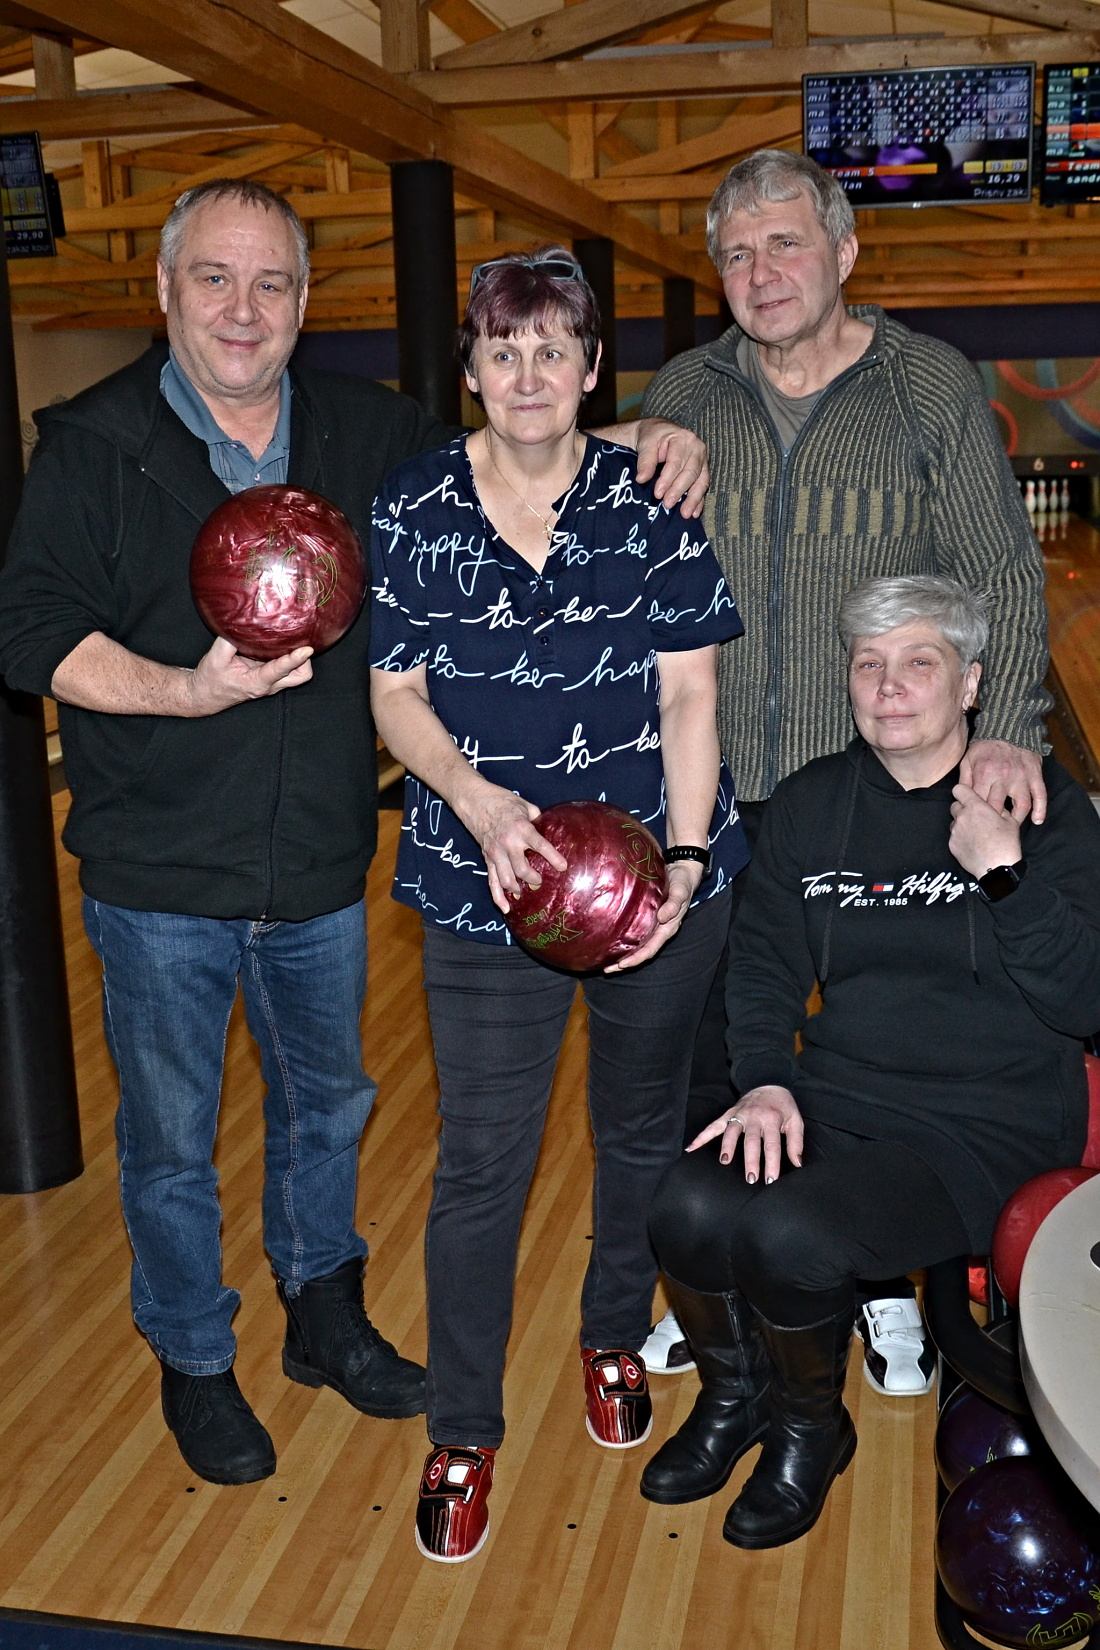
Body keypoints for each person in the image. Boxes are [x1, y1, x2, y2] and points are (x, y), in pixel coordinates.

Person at [0, 183, 708, 1488]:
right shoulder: (94, 444)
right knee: (174, 1143)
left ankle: (323, 1315)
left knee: (327, 1112)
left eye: (271, 283)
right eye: (214, 278)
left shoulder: (366, 432)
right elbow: (31, 636)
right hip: (160, 871)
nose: (243, 309)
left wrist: (647, 430)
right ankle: (195, 1357)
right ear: (164, 290)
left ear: (305, 302)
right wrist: (188, 690)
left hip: (320, 861)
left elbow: (516, 437)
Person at [639, 148, 1052, 1395]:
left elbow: (1000, 575)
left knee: (878, 1037)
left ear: (843, 252)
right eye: (735, 253)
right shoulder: (685, 390)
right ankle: (722, 1279)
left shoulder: (926, 385)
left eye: (784, 243)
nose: (760, 271)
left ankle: (879, 1281)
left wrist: (1002, 735)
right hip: (711, 787)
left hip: (874, 783)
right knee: (713, 1042)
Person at [369, 247, 747, 1564]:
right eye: (503, 349)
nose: (527, 372)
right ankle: (463, 1430)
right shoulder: (415, 502)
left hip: (653, 876)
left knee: (637, 1132)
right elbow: (394, 691)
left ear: (592, 372)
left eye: (553, 350)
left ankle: (609, 1336)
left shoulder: (650, 496)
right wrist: (480, 807)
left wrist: (683, 864)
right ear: (471, 371)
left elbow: (690, 690)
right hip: (484, 884)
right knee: (482, 1163)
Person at [641, 574, 1100, 1551]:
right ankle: (735, 1397)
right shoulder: (812, 804)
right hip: (843, 1091)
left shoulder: (1036, 804)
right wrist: (765, 1079)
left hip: (989, 1119)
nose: (889, 686)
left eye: (919, 663)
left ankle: (812, 1430)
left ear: (969, 684)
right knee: (685, 1203)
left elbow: (1087, 1001)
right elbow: (763, 962)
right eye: (868, 664)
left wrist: (1005, 875)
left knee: (790, 1236)